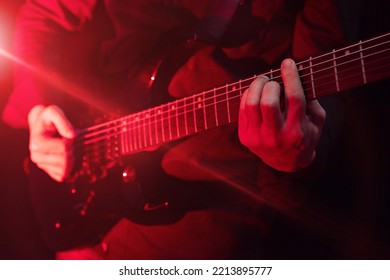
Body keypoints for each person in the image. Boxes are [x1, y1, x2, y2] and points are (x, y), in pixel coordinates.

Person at [2, 0, 346, 259]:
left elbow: (327, 83)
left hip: (200, 224)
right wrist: (37, 107)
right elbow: (42, 13)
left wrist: (295, 158)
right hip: (83, 188)